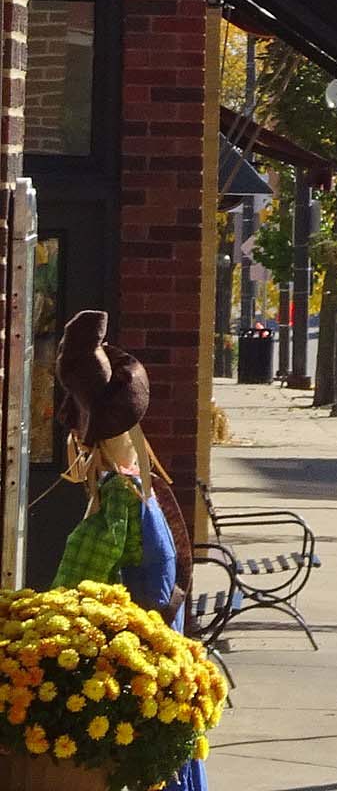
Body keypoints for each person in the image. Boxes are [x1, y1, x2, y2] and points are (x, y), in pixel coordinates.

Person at [51, 311, 205, 790]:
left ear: (83, 433)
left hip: (137, 706)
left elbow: (70, 597)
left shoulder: (118, 503)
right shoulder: (143, 488)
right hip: (159, 691)